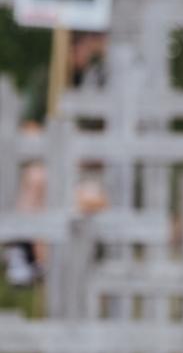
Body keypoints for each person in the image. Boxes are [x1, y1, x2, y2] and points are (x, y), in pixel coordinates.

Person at [6, 32, 111, 286]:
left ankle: (45, 261)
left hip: (87, 173)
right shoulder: (50, 79)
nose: (92, 54)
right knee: (37, 181)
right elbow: (30, 127)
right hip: (53, 165)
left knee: (84, 199)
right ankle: (29, 257)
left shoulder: (101, 83)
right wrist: (60, 151)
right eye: (89, 47)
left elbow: (105, 144)